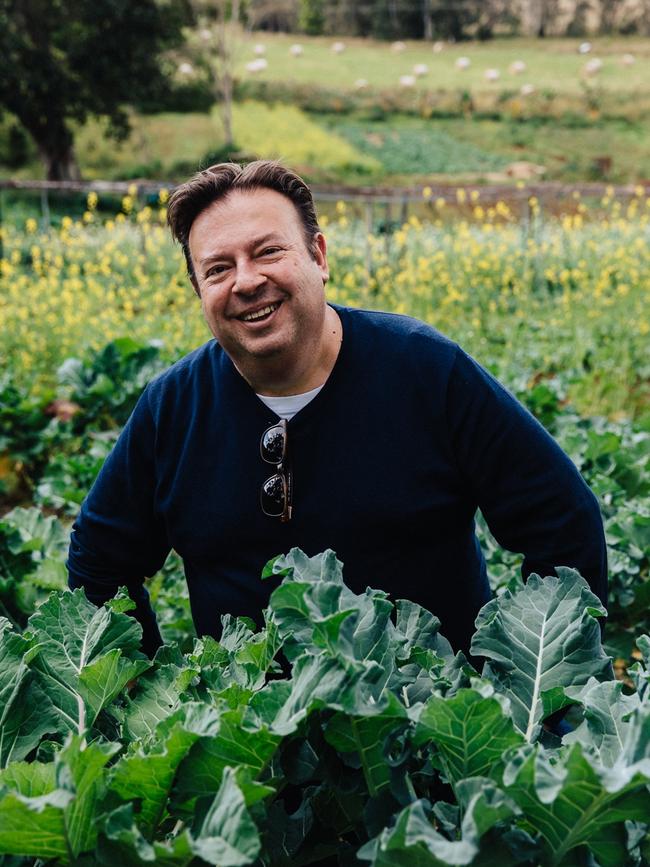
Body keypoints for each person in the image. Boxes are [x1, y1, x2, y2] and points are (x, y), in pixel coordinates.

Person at [67, 160, 608, 661]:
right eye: (218, 269)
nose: (247, 281)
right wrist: (138, 694)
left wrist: (528, 688)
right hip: (252, 750)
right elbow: (100, 563)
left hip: (426, 737)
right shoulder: (172, 408)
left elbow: (562, 524)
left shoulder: (424, 369)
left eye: (268, 252)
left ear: (319, 257)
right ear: (197, 289)